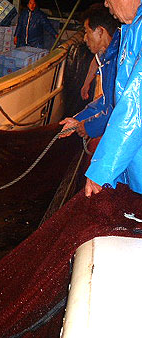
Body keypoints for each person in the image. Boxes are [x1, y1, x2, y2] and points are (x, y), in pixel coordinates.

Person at [83, 0, 142, 196]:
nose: (107, 3)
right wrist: (79, 119)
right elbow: (115, 99)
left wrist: (102, 169)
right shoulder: (132, 30)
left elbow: (135, 107)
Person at [59, 5, 120, 140]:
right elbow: (106, 101)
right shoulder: (108, 56)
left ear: (100, 31)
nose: (85, 38)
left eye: (87, 32)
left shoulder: (118, 60)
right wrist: (77, 120)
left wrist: (87, 127)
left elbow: (117, 109)